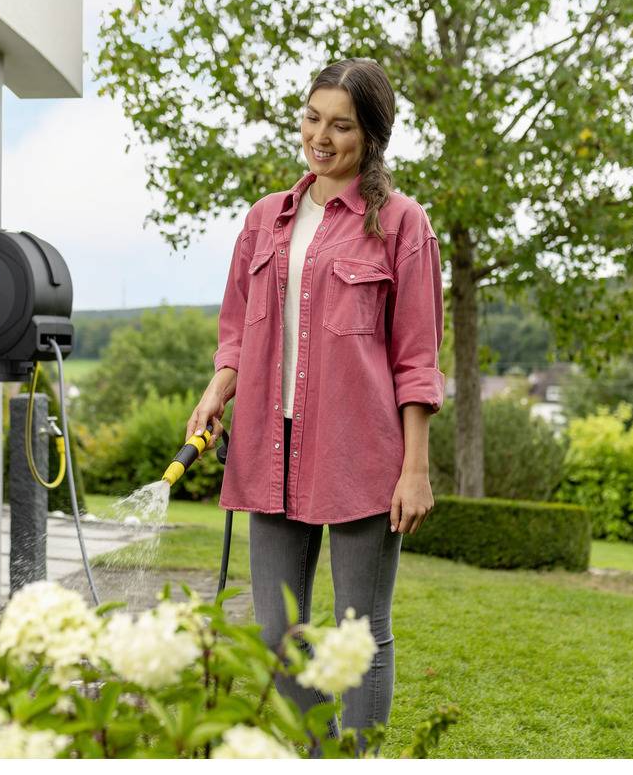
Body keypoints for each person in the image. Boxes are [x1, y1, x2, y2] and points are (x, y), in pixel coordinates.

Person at [186, 58, 446, 748]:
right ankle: (320, 751)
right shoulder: (264, 219)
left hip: (360, 453)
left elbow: (416, 357)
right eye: (310, 117)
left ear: (372, 136)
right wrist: (218, 387)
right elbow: (237, 329)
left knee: (360, 633)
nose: (320, 137)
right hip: (268, 449)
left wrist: (413, 467)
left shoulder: (401, 223)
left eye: (341, 125)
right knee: (277, 634)